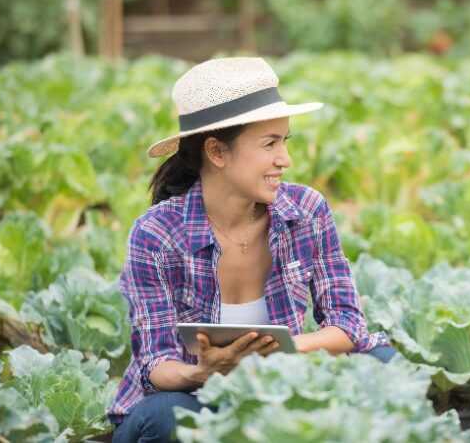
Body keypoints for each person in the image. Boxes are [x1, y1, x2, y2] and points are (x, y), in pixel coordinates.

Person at [108, 57, 394, 442]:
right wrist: (202, 372)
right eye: (269, 143)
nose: (285, 160)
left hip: (277, 392)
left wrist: (276, 353)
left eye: (284, 141)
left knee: (385, 365)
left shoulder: (307, 211)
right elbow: (157, 364)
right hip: (197, 398)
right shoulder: (156, 233)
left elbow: (348, 324)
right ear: (217, 152)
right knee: (166, 417)